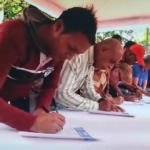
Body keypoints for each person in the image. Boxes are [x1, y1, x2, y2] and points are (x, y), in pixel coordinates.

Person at [0, 5, 97, 133]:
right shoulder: (11, 36)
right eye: (71, 48)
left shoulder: (58, 53)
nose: (69, 58)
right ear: (58, 26)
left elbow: (50, 86)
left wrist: (42, 110)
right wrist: (32, 123)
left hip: (17, 103)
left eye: (76, 54)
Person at [55, 38, 125, 112]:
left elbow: (87, 87)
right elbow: (62, 94)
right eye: (111, 61)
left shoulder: (93, 58)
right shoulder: (79, 55)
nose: (110, 67)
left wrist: (100, 101)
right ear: (103, 49)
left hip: (59, 107)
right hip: (51, 107)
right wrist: (97, 106)